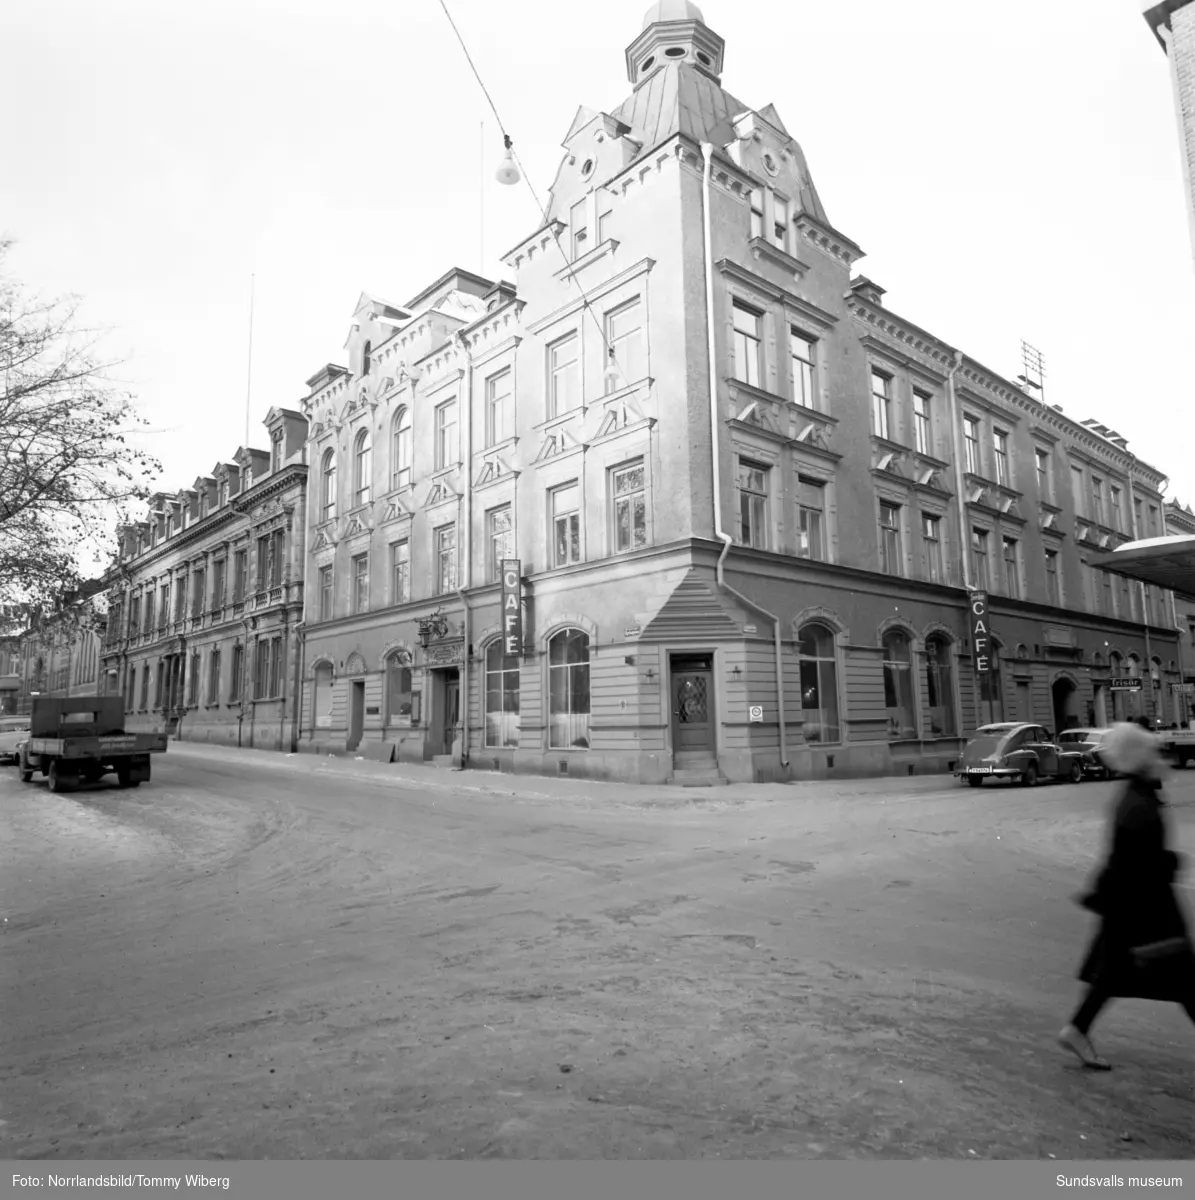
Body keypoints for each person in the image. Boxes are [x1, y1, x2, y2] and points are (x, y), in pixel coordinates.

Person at [1058, 721, 1195, 1069]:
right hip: (1148, 910)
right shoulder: (1138, 803)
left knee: (1115, 975)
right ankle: (1076, 1029)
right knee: (1184, 980)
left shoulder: (1136, 795)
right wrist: (1170, 862)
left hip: (1132, 906)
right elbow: (1134, 861)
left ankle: (1077, 1029)